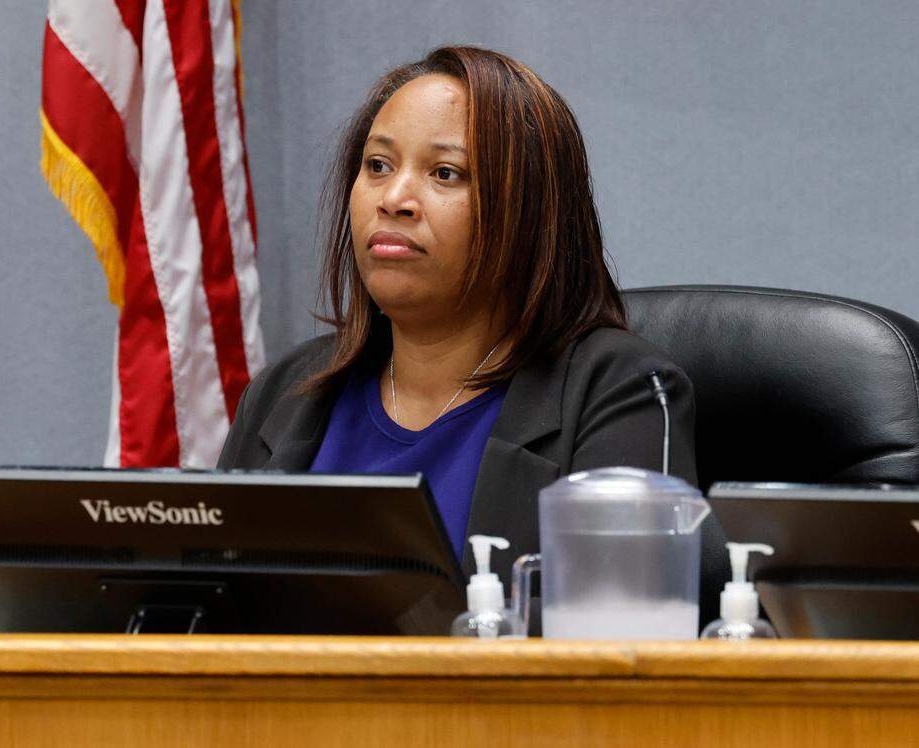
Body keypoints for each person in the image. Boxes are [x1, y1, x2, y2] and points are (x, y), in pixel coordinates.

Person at [218, 46, 727, 622]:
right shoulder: (287, 391)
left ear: (529, 213)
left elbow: (625, 651)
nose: (393, 200)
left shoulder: (618, 392)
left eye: (445, 173)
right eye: (378, 166)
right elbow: (205, 619)